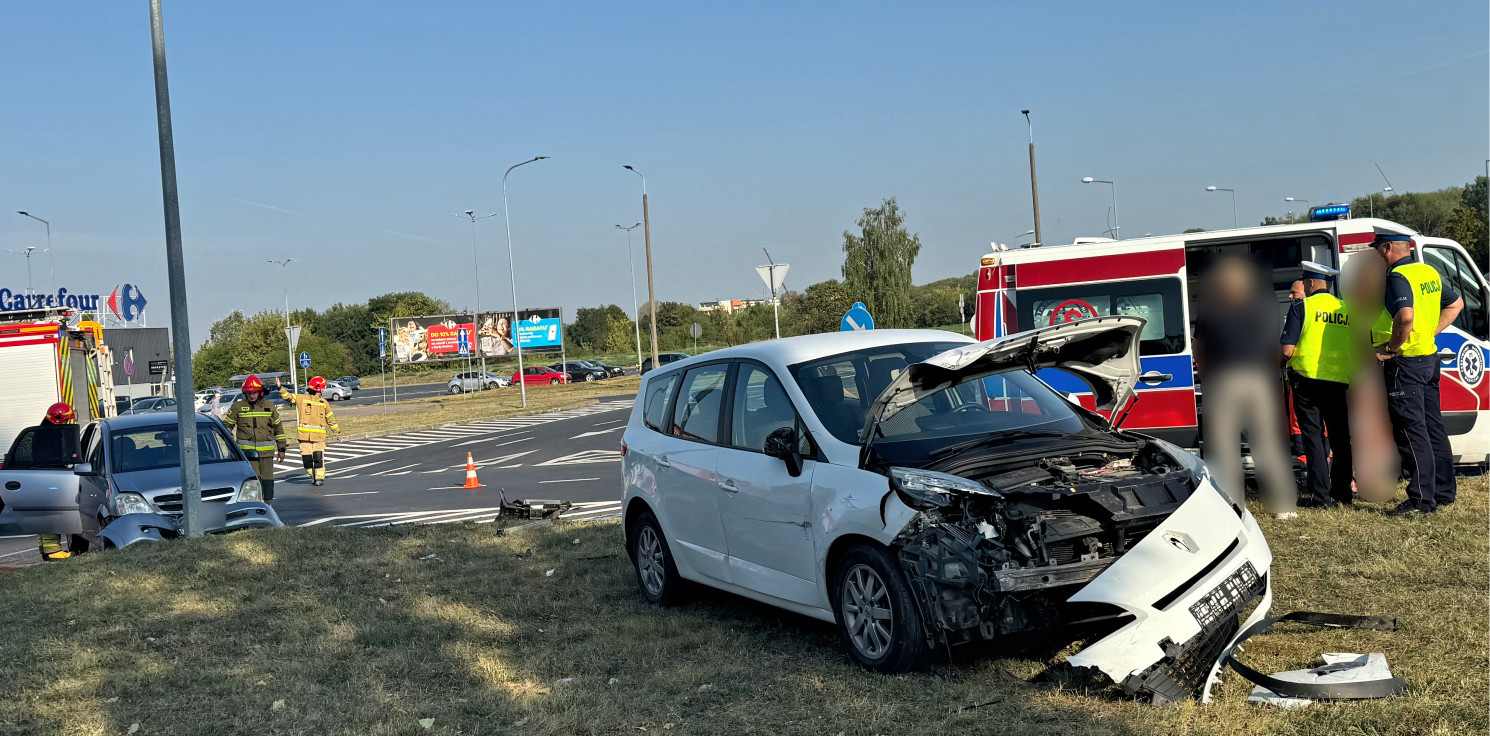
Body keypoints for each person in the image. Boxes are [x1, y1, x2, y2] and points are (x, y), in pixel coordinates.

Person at [1193, 258, 1299, 518]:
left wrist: (1207, 375)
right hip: (1259, 381)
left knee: (1225, 448)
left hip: (1223, 380)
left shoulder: (1210, 310)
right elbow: (1277, 347)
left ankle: (1233, 508)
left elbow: (1199, 349)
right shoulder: (1265, 309)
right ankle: (1284, 506)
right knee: (1268, 444)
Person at [1370, 227, 1465, 515]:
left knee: (1413, 431)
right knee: (1433, 426)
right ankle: (1444, 491)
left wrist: (1393, 347)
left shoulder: (1398, 277)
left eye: (1378, 251)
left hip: (1406, 364)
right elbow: (1457, 304)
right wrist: (1429, 332)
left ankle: (1421, 499)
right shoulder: (1428, 272)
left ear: (1387, 249)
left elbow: (1406, 316)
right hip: (1428, 358)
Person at [1280, 261, 1353, 508]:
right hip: (1338, 381)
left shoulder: (1302, 307)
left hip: (1307, 381)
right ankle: (1343, 492)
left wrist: (1279, 362)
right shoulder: (1346, 308)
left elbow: (1287, 349)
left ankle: (1321, 497)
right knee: (1341, 439)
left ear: (1310, 284)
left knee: (1313, 437)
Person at [222, 375, 287, 503]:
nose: (251, 396)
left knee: (268, 482)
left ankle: (268, 507)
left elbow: (278, 428)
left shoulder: (269, 406)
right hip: (247, 454)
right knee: (254, 482)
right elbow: (226, 427)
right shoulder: (238, 407)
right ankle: (255, 507)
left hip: (267, 454)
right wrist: (232, 447)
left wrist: (282, 448)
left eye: (254, 393)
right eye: (249, 393)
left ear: (260, 392)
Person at [278, 376, 339, 486]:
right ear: (319, 388)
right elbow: (289, 397)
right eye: (323, 388)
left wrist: (337, 432)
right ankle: (312, 474)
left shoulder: (324, 402)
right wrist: (280, 388)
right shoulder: (302, 399)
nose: (323, 390)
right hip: (305, 437)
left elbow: (330, 418)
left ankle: (320, 477)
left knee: (318, 457)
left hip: (319, 438)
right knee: (306, 460)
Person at [35, 402, 78, 561]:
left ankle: (46, 550)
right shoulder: (50, 435)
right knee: (53, 514)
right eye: (66, 421)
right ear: (58, 418)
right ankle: (53, 552)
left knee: (45, 515)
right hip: (50, 478)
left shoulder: (42, 431)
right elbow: (53, 458)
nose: (67, 424)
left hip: (43, 478)